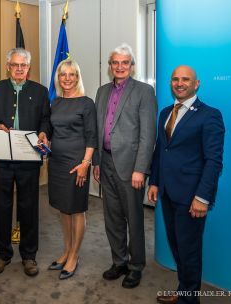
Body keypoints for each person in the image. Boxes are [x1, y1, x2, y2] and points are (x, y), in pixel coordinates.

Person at [148, 65, 225, 304]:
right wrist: (155, 182)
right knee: (178, 248)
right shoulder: (165, 113)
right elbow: (162, 150)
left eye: (185, 79)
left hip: (192, 198)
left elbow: (213, 161)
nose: (179, 83)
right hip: (169, 195)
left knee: (189, 253)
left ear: (196, 83)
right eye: (175, 79)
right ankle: (184, 292)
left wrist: (202, 198)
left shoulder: (209, 114)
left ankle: (189, 300)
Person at [0, 48, 50, 277]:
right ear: (8, 66)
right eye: (15, 65)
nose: (19, 69)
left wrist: (43, 132)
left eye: (24, 65)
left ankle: (29, 255)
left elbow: (46, 119)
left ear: (29, 68)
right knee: (1, 207)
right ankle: (3, 253)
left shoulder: (40, 91)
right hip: (0, 159)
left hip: (28, 159)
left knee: (29, 207)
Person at [93, 43, 157, 289]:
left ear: (132, 65)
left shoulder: (144, 91)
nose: (119, 67)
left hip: (131, 167)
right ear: (110, 66)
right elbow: (99, 130)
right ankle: (119, 261)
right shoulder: (101, 91)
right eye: (115, 62)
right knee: (112, 217)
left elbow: (147, 134)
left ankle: (135, 266)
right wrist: (97, 161)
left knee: (134, 218)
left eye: (125, 62)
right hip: (106, 162)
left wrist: (141, 169)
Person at [47, 59, 97, 280]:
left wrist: (85, 164)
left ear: (78, 77)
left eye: (72, 75)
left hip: (77, 164)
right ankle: (66, 250)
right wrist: (43, 140)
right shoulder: (55, 102)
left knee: (76, 209)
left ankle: (74, 256)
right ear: (58, 78)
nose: (67, 79)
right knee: (63, 209)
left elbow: (92, 136)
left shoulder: (87, 103)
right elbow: (51, 131)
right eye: (63, 75)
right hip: (56, 162)